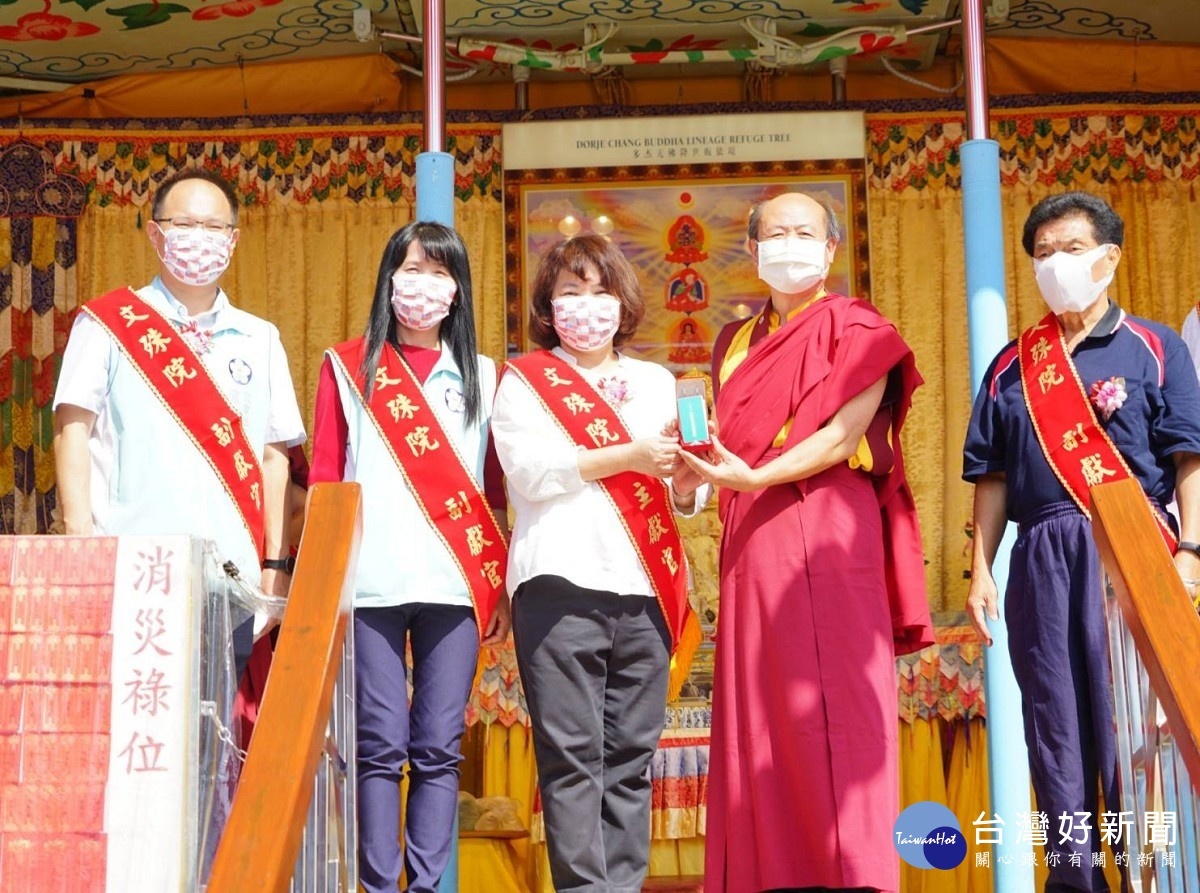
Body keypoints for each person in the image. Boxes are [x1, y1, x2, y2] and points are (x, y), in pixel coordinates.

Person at [680, 192, 934, 893]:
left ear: (830, 251)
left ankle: (852, 874)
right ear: (755, 252)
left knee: (839, 710)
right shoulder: (732, 343)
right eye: (776, 233)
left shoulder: (861, 327)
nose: (790, 244)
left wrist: (754, 473)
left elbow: (842, 436)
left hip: (829, 532)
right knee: (759, 717)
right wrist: (693, 475)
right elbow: (719, 449)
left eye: (806, 233)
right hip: (753, 538)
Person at [963, 191, 1200, 890]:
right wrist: (980, 569)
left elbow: (1189, 457)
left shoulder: (1156, 347)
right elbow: (992, 474)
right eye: (1043, 254)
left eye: (1071, 250)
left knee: (1135, 722)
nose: (1057, 265)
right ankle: (1075, 878)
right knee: (1056, 726)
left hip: (1135, 550)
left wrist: (1190, 550)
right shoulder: (1012, 366)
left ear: (1110, 257)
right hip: (1040, 555)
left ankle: (1155, 874)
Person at [491, 234, 709, 892]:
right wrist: (629, 455)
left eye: (600, 291)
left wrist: (681, 476)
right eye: (570, 292)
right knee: (572, 757)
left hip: (643, 590)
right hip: (557, 587)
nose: (587, 306)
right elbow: (528, 473)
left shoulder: (657, 383)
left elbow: (689, 496)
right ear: (547, 305)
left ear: (624, 301)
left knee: (630, 759)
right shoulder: (524, 380)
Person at [308, 221, 511, 893]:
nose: (421, 284)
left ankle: (425, 884)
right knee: (380, 744)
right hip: (369, 584)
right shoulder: (346, 364)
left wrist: (501, 586)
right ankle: (377, 882)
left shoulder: (484, 375)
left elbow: (495, 490)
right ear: (387, 278)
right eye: (409, 269)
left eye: (437, 271)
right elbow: (327, 480)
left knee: (437, 747)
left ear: (459, 289)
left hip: (454, 585)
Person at [53, 168, 305, 667]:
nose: (200, 240)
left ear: (233, 239)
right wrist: (79, 540)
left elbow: (275, 459)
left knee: (214, 735)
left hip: (231, 576)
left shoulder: (261, 338)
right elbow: (71, 430)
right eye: (185, 225)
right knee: (139, 733)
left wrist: (275, 565)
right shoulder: (106, 324)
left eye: (214, 228)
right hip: (133, 568)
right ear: (155, 233)